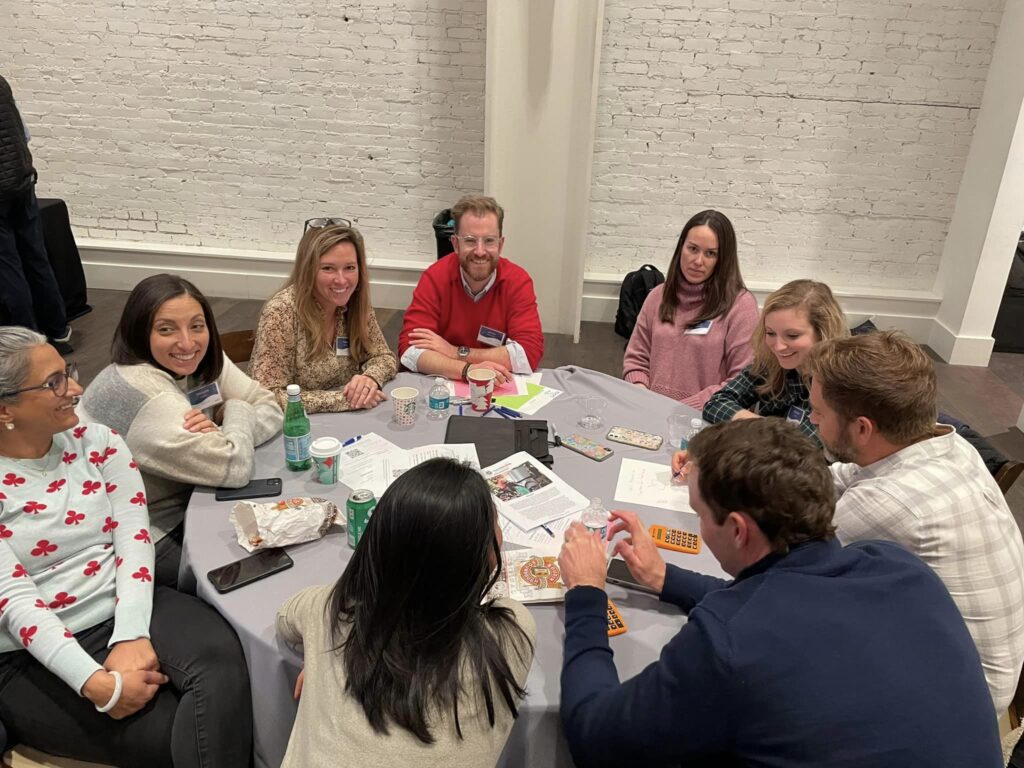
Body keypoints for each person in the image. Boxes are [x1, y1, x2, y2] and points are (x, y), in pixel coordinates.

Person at [557, 418, 1001, 767]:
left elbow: (594, 737)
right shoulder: (898, 566)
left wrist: (586, 593)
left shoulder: (725, 644)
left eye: (699, 514)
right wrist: (666, 578)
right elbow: (780, 598)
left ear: (737, 529)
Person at [0, 327, 253, 767]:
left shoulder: (97, 442)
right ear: (6, 409)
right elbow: (15, 601)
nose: (76, 389)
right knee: (185, 727)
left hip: (125, 600)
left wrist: (132, 632)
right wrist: (95, 683)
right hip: (29, 651)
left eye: (68, 373)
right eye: (54, 382)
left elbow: (134, 538)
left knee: (224, 668)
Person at [806, 330, 1024, 712]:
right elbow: (842, 478)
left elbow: (788, 566)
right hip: (983, 666)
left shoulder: (890, 502)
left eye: (819, 413)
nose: (811, 419)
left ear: (861, 428)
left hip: (957, 704)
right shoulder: (950, 445)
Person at [277, 458, 535, 768]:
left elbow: (286, 619)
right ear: (477, 558)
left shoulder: (327, 611)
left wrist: (322, 654)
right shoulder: (511, 635)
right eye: (495, 523)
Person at [78, 274, 282, 587]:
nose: (187, 342)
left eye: (197, 326)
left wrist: (223, 430)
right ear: (139, 331)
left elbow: (270, 406)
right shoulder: (146, 394)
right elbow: (235, 467)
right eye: (166, 329)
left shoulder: (199, 357)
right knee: (262, 574)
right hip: (140, 532)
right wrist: (237, 411)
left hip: (193, 492)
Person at [251, 219, 397, 413]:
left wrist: (369, 379)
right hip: (297, 428)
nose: (341, 280)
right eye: (328, 268)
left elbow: (384, 357)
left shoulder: (355, 301)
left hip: (349, 420)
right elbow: (267, 396)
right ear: (308, 270)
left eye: (350, 268)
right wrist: (343, 400)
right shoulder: (281, 312)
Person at [398, 195, 544, 384]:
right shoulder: (435, 278)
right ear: (455, 244)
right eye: (470, 240)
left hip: (498, 384)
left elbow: (528, 353)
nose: (480, 251)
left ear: (500, 245)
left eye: (489, 241)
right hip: (444, 386)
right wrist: (468, 370)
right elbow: (410, 351)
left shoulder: (518, 281)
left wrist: (454, 352)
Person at [622, 210, 757, 408]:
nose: (698, 261)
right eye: (692, 249)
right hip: (650, 412)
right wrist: (643, 397)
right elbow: (636, 359)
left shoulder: (741, 306)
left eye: (710, 253)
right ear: (681, 248)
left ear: (723, 259)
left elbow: (741, 380)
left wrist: (685, 408)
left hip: (706, 421)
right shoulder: (657, 296)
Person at [700, 278, 847, 439]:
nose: (778, 346)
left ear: (822, 334)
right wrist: (769, 428)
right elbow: (716, 405)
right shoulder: (770, 363)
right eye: (770, 333)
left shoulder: (838, 384)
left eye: (792, 335)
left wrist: (753, 424)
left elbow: (804, 447)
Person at [0, 75, 72, 353]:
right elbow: (24, 133)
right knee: (36, 257)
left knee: (8, 268)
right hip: (22, 182)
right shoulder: (2, 82)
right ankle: (58, 329)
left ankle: (29, 343)